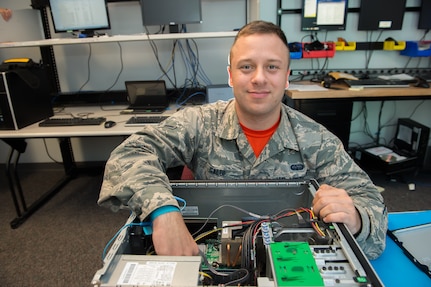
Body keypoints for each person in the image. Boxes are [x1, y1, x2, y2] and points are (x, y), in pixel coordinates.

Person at [98, 20, 387, 260]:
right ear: (231, 76)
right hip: (214, 250)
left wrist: (358, 219)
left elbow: (370, 201)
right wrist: (162, 209)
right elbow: (130, 153)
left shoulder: (317, 139)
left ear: (287, 77)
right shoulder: (199, 123)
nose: (259, 78)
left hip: (292, 257)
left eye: (272, 67)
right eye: (247, 67)